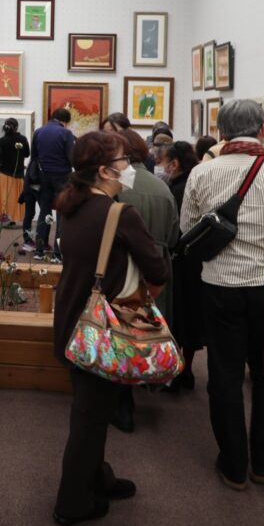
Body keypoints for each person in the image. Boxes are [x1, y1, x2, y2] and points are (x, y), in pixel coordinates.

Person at [179, 99, 264, 491]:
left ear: (221, 132)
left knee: (225, 374)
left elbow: (188, 230)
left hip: (220, 285)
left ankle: (233, 464)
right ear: (263, 128)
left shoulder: (202, 173)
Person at [52, 131, 169, 526]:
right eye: (124, 161)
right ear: (105, 171)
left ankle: (97, 477)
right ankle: (72, 504)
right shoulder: (120, 214)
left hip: (73, 320)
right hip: (104, 330)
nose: (130, 168)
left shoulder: (71, 204)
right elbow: (158, 271)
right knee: (89, 418)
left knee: (90, 410)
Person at [114, 129, 179, 432]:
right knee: (148, 328)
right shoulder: (162, 187)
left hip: (124, 268)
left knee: (120, 331)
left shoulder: (116, 186)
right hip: (158, 268)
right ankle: (151, 378)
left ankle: (122, 403)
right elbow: (173, 235)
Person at [158, 141, 203, 391]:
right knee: (191, 315)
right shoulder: (195, 182)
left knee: (177, 314)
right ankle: (186, 370)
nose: (162, 167)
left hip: (179, 259)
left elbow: (173, 228)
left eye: (163, 162)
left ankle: (174, 370)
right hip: (196, 259)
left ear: (174, 164)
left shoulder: (175, 189)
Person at [31, 108, 76, 261]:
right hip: (63, 177)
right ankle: (57, 254)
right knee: (62, 214)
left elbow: (34, 156)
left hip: (43, 176)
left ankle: (39, 251)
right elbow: (71, 158)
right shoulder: (66, 133)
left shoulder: (38, 132)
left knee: (44, 212)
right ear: (65, 121)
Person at [0, 117, 30, 225]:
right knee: (16, 197)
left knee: (6, 197)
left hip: (4, 174)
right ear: (17, 127)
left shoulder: (2, 140)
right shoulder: (23, 139)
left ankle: (6, 219)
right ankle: (16, 218)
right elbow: (27, 154)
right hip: (18, 174)